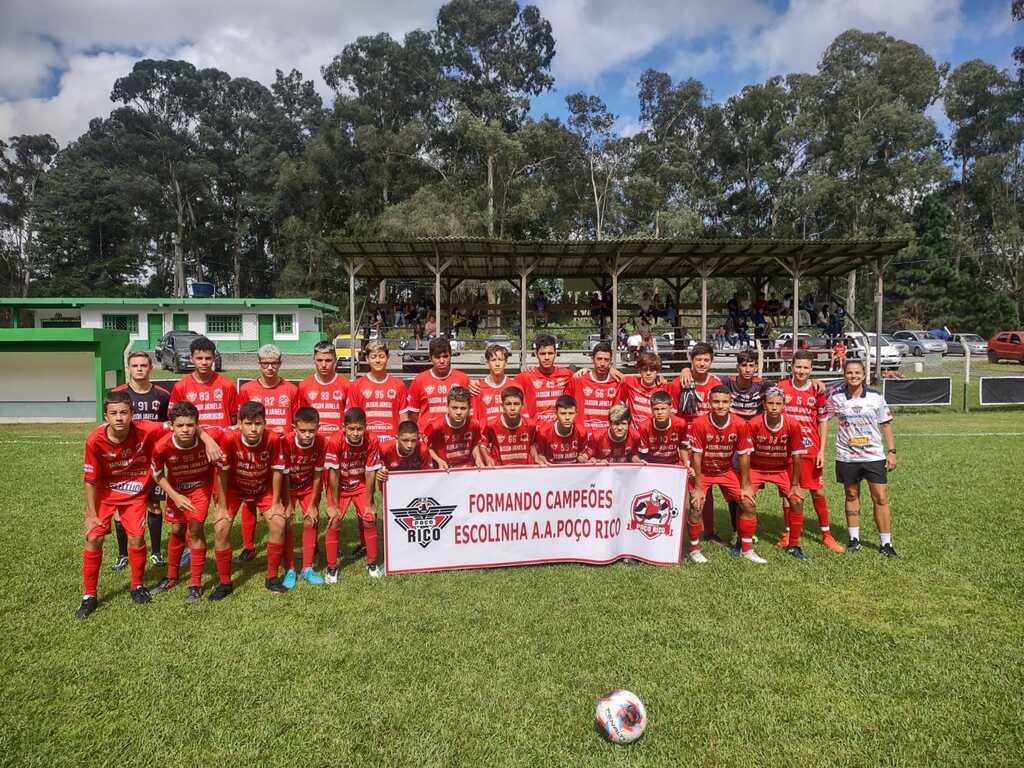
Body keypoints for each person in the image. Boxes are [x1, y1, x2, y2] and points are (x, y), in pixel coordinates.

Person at [77, 391, 167, 618]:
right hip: (105, 494)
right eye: (113, 413)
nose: (119, 418)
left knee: (137, 537)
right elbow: (90, 480)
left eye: (124, 413)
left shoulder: (146, 429)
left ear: (132, 414)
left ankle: (136, 585)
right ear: (105, 416)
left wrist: (206, 439)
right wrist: (91, 513)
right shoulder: (94, 440)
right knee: (93, 537)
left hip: (134, 494)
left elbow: (176, 425)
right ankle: (89, 595)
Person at [148, 401, 223, 602]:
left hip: (200, 488)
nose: (185, 430)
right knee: (177, 530)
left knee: (196, 529)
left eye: (190, 425)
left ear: (197, 425)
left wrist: (209, 439)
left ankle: (195, 584)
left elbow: (237, 429)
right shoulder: (162, 446)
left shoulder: (211, 437)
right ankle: (171, 576)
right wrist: (174, 496)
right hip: (176, 491)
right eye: (180, 425)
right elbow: (156, 474)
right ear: (171, 425)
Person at [212, 401, 288, 598]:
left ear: (265, 423)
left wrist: (275, 502)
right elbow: (222, 473)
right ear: (240, 423)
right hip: (234, 489)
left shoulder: (273, 439)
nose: (253, 429)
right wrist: (221, 506)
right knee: (221, 527)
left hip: (263, 488)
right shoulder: (229, 439)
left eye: (258, 423)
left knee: (278, 522)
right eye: (248, 424)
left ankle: (271, 577)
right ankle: (225, 582)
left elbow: (278, 471)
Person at [827, 360, 898, 557]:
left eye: (857, 372)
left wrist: (891, 451)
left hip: (873, 455)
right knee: (851, 495)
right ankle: (854, 539)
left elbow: (886, 425)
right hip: (847, 456)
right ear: (844, 375)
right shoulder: (836, 398)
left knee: (881, 497)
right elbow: (823, 418)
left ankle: (886, 543)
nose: (853, 376)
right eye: (849, 372)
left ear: (864, 375)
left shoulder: (875, 397)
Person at [776, 351, 844, 553]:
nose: (801, 371)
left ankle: (826, 534)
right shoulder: (781, 388)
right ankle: (789, 532)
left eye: (806, 368)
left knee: (818, 490)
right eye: (798, 366)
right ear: (792, 366)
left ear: (811, 369)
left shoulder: (817, 390)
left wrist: (822, 450)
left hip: (810, 448)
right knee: (789, 493)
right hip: (787, 451)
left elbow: (823, 421)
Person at [111, 351, 171, 570]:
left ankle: (156, 552)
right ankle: (122, 554)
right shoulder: (118, 393)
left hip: (153, 458)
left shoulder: (162, 395)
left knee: (154, 504)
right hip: (125, 461)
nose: (139, 369)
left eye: (143, 365)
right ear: (129, 368)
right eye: (134, 365)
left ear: (150, 367)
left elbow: (167, 427)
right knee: (121, 507)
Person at [686, 386, 756, 564]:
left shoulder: (740, 424)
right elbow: (696, 456)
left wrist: (746, 485)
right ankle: (694, 550)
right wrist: (699, 487)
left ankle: (746, 549)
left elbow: (744, 455)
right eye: (716, 401)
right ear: (709, 403)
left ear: (730, 403)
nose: (720, 405)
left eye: (724, 402)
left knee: (748, 502)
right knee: (696, 505)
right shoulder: (699, 423)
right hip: (704, 472)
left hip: (725, 471)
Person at [668, 342, 724, 543]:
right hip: (684, 445)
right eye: (698, 359)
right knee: (682, 490)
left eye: (706, 360)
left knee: (705, 490)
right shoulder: (678, 383)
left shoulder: (716, 384)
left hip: (706, 446)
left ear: (711, 361)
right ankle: (674, 530)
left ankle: (708, 531)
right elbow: (671, 417)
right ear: (691, 361)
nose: (702, 363)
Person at [743, 387, 807, 561]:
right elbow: (746, 454)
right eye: (770, 403)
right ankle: (744, 545)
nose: (773, 407)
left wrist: (795, 485)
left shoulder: (793, 424)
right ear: (764, 404)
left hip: (781, 469)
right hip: (757, 468)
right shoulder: (754, 423)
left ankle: (794, 544)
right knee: (746, 501)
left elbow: (797, 455)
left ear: (784, 406)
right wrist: (746, 484)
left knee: (796, 500)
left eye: (778, 404)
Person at [324, 407, 383, 580]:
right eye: (351, 429)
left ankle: (372, 564)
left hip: (360, 484)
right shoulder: (335, 441)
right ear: (344, 427)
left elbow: (370, 471)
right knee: (334, 520)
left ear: (365, 427)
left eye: (359, 428)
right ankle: (331, 568)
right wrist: (334, 505)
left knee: (369, 517)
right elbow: (333, 474)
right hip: (339, 486)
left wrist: (370, 502)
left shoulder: (372, 440)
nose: (355, 433)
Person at [283, 407, 327, 587]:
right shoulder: (285, 442)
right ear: (294, 428)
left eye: (312, 431)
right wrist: (287, 504)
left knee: (311, 520)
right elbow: (283, 475)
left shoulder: (322, 442)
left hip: (308, 486)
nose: (308, 435)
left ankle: (307, 568)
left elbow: (318, 475)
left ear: (318, 428)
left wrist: (314, 504)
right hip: (288, 488)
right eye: (303, 431)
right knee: (287, 522)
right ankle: (290, 568)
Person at [168, 336, 237, 428]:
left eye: (208, 358)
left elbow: (234, 417)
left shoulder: (227, 385)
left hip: (220, 440)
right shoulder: (181, 387)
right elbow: (173, 418)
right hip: (194, 440)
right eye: (199, 358)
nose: (204, 362)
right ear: (191, 358)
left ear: (214, 358)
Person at [405, 337, 471, 424]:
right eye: (437, 357)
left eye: (445, 356)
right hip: (427, 434)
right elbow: (413, 414)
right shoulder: (419, 380)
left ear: (451, 356)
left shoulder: (463, 379)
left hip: (456, 434)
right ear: (430, 358)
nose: (442, 361)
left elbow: (470, 410)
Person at [237, 344, 298, 433]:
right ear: (258, 363)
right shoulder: (246, 389)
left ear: (280, 363)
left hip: (283, 442)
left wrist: (288, 433)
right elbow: (240, 422)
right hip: (257, 443)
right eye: (265, 363)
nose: (270, 368)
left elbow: (298, 423)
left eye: (274, 363)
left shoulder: (292, 390)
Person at [515, 334, 572, 427]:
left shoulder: (567, 374)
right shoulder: (526, 376)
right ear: (536, 353)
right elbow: (504, 386)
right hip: (536, 432)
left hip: (558, 431)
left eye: (550, 353)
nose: (546, 357)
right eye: (542, 353)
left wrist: (585, 370)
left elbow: (585, 381)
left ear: (555, 353)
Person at [422, 387, 486, 469]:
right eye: (454, 408)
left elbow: (475, 444)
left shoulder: (474, 424)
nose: (459, 412)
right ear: (447, 407)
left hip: (467, 469)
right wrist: (438, 460)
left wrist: (478, 457)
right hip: (445, 470)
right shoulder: (435, 426)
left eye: (463, 408)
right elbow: (425, 447)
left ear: (469, 408)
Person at [295, 341, 349, 435]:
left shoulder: (346, 385)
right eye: (319, 360)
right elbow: (301, 418)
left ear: (335, 360)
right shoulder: (304, 385)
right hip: (313, 440)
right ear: (314, 360)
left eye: (328, 360)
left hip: (337, 441)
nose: (323, 365)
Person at [569, 341, 618, 432]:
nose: (602, 363)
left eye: (606, 360)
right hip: (583, 437)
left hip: (607, 437)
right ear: (592, 359)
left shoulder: (617, 383)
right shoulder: (578, 380)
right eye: (599, 359)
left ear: (610, 362)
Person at [480, 386, 536, 466]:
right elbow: (483, 445)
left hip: (523, 471)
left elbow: (532, 445)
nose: (512, 408)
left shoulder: (531, 425)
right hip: (500, 471)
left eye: (516, 404)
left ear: (522, 405)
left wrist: (536, 457)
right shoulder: (491, 425)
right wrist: (487, 458)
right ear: (502, 406)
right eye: (508, 404)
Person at [532, 395, 590, 465]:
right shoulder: (544, 433)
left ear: (576, 413)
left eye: (571, 413)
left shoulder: (581, 432)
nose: (567, 417)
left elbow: (581, 455)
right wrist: (540, 458)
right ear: (556, 413)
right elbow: (539, 455)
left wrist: (583, 458)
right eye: (563, 413)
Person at [616, 352, 670, 425]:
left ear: (657, 371)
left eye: (652, 370)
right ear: (640, 370)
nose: (648, 373)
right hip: (635, 433)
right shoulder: (630, 382)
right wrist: (611, 370)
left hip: (652, 432)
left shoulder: (663, 388)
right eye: (645, 370)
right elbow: (612, 374)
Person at [473, 344, 516, 426]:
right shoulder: (477, 388)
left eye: (500, 360)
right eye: (493, 360)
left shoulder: (514, 386)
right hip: (486, 437)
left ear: (506, 363)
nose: (497, 364)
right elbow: (474, 420)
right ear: (487, 363)